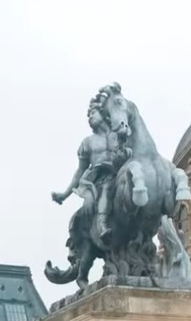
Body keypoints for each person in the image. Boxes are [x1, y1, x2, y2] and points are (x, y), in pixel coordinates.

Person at [51, 90, 131, 243]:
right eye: (88, 115)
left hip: (121, 172)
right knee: (107, 188)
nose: (90, 117)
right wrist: (65, 194)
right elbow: (80, 170)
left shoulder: (118, 134)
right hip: (100, 180)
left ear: (103, 114)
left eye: (93, 113)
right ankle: (102, 224)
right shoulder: (88, 142)